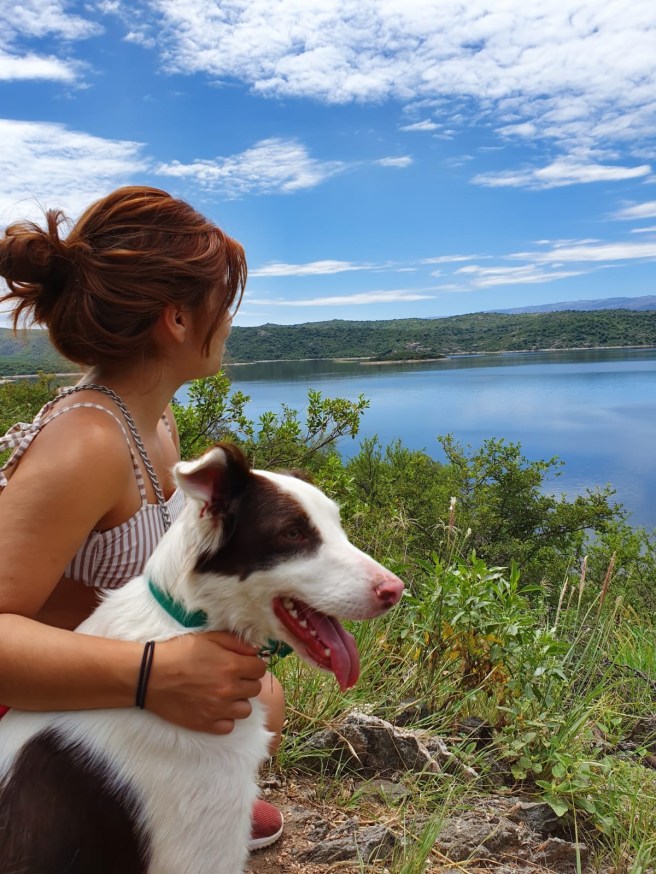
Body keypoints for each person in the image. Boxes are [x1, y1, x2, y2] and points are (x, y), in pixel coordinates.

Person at [0, 185, 285, 850]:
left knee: (259, 696)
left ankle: (165, 804)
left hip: (101, 689)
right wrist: (155, 673)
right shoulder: (87, 444)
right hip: (36, 715)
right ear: (177, 320)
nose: (230, 321)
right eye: (223, 301)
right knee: (245, 704)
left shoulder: (155, 425)